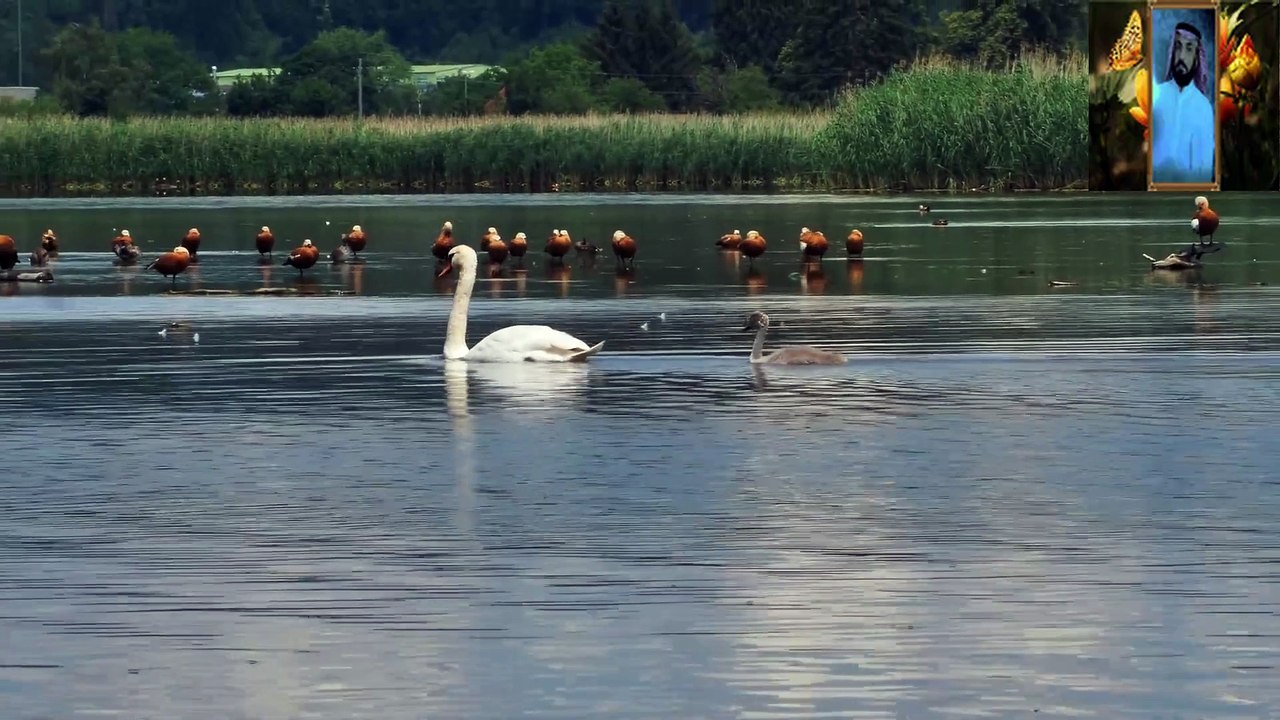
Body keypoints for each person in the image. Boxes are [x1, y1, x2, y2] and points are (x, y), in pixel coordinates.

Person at [1151, 20, 1215, 183]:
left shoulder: (1203, 107)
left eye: (1189, 48)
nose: (1181, 56)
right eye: (1178, 46)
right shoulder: (1156, 96)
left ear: (1196, 57)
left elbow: (1205, 168)